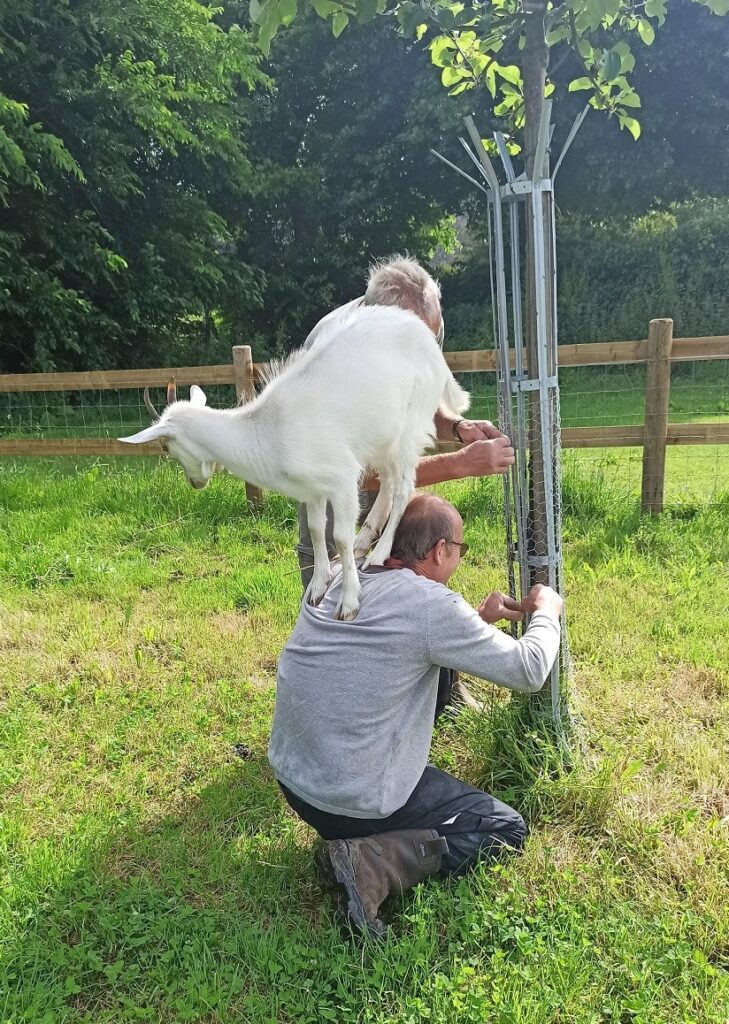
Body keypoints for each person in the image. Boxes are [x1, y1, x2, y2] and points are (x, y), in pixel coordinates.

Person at [269, 493, 563, 937]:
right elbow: (529, 670)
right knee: (503, 828)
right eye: (461, 549)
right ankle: (369, 863)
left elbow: (397, 645)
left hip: (295, 782)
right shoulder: (429, 605)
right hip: (353, 799)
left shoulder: (339, 576)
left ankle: (357, 838)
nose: (458, 557)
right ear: (441, 550)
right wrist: (546, 613)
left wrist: (478, 624)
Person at [296, 255, 515, 709]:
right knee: (351, 623)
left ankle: (444, 691)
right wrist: (463, 462)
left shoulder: (400, 326)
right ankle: (349, 716)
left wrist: (457, 427)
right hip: (341, 515)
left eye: (434, 335)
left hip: (381, 502)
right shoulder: (347, 360)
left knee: (422, 566)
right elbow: (372, 477)